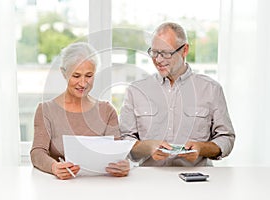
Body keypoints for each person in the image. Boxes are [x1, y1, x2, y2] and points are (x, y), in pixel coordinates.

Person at [120, 22, 235, 166]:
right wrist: (148, 147)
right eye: (154, 52)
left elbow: (226, 138)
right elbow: (124, 141)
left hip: (195, 182)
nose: (159, 60)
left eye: (166, 53)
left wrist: (201, 148)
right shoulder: (136, 91)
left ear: (184, 50)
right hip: (149, 182)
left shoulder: (211, 89)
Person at [30, 42, 130, 179]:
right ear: (64, 73)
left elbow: (117, 153)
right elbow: (37, 153)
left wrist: (123, 165)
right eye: (76, 76)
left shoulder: (107, 111)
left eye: (89, 76)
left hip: (100, 187)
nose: (83, 83)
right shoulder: (46, 110)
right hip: (59, 187)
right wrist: (54, 167)